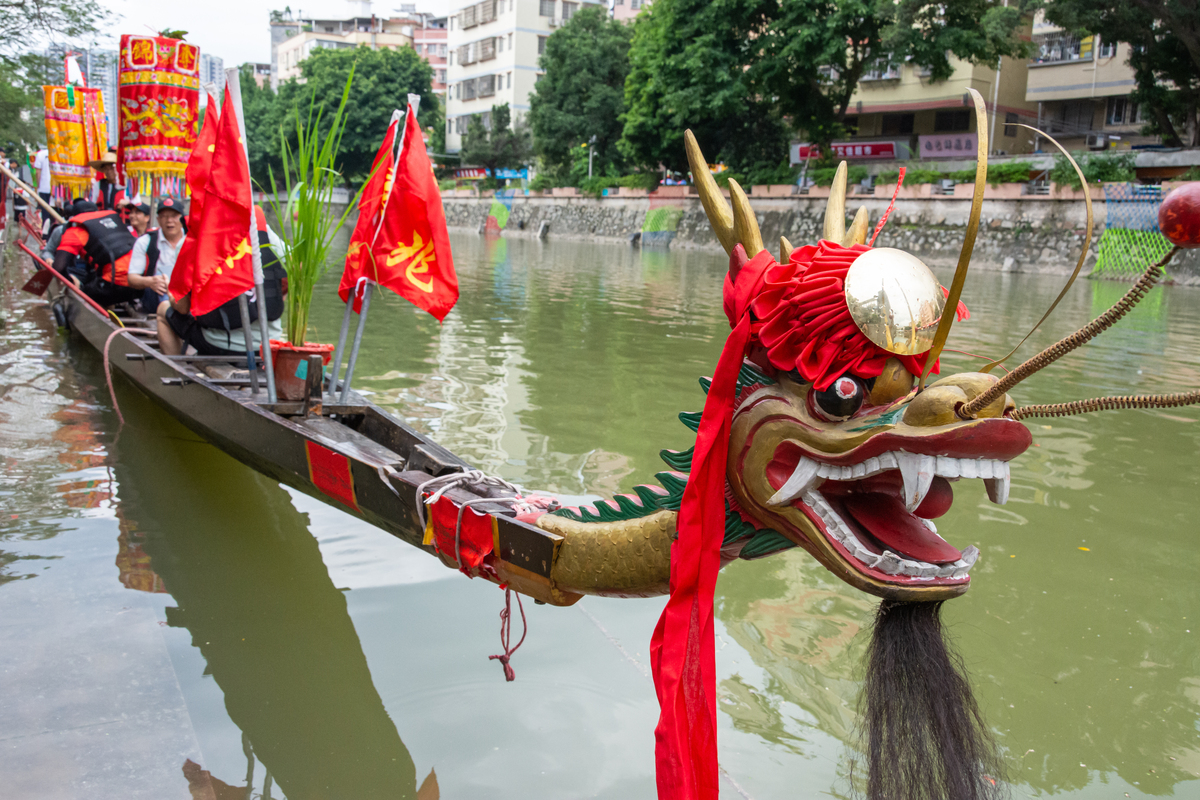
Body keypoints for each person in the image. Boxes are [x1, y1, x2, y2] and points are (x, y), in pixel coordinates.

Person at [158, 206, 287, 357]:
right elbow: (296, 267)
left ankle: (175, 370)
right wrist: (276, 292)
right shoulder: (262, 231)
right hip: (268, 344)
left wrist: (171, 292)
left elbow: (182, 308)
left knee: (163, 308)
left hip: (219, 345)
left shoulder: (191, 240)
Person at [52, 201, 141, 307]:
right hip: (140, 285)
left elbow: (58, 267)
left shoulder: (75, 231)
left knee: (83, 291)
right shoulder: (114, 221)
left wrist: (71, 281)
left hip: (115, 287)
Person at [127, 198, 185, 314]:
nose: (169, 221)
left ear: (183, 219)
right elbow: (131, 278)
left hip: (187, 290)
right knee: (161, 280)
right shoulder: (146, 241)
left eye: (174, 216)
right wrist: (150, 281)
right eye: (164, 216)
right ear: (158, 220)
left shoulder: (193, 238)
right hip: (158, 294)